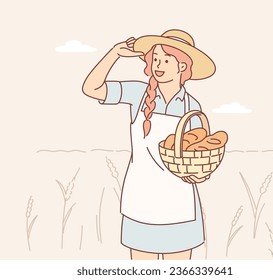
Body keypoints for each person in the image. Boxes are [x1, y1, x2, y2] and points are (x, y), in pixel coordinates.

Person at [82, 29, 216, 260]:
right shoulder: (138, 93)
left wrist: (199, 175)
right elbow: (91, 88)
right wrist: (114, 53)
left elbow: (197, 152)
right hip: (141, 199)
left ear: (182, 67)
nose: (158, 64)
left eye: (165, 59)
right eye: (155, 59)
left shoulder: (192, 105)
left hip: (180, 204)